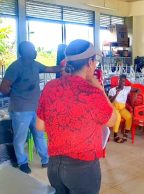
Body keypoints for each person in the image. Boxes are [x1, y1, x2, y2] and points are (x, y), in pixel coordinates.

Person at [36, 39, 117, 194]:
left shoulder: (50, 87)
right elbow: (112, 120)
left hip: (54, 165)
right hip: (83, 168)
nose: (95, 65)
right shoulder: (92, 92)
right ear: (89, 62)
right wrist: (98, 86)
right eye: (95, 61)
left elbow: (40, 126)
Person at [0, 41, 61, 174]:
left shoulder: (35, 64)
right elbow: (3, 87)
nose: (35, 51)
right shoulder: (15, 67)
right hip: (20, 110)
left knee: (39, 135)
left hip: (35, 108)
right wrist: (17, 93)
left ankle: (46, 160)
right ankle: (22, 162)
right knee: (20, 138)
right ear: (25, 52)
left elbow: (49, 68)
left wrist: (64, 67)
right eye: (33, 49)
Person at [108, 74, 138, 143]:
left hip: (122, 108)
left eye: (123, 81)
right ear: (118, 81)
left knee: (129, 117)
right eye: (121, 81)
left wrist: (136, 94)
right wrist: (116, 94)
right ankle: (115, 135)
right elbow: (110, 101)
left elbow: (137, 90)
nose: (122, 83)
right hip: (114, 108)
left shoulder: (127, 88)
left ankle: (126, 133)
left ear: (125, 82)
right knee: (118, 118)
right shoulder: (112, 90)